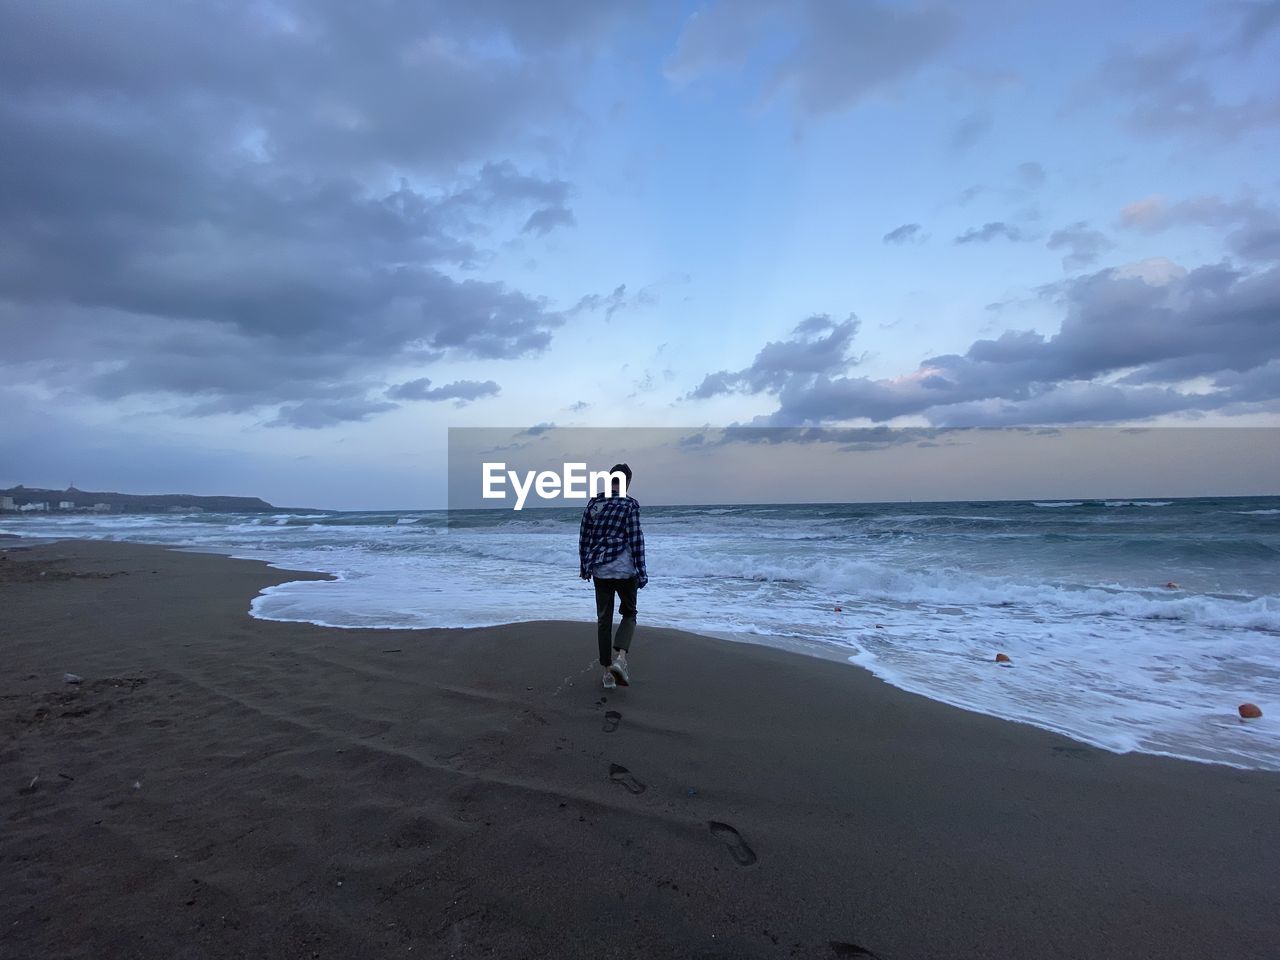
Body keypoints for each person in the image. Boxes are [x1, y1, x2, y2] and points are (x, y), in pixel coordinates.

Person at [578, 462, 648, 689]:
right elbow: (636, 540)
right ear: (627, 482)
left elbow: (584, 537)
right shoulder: (629, 504)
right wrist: (642, 571)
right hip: (625, 569)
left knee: (604, 620)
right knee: (629, 614)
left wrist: (584, 565)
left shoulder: (594, 504)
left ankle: (607, 674)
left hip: (600, 569)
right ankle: (621, 659)